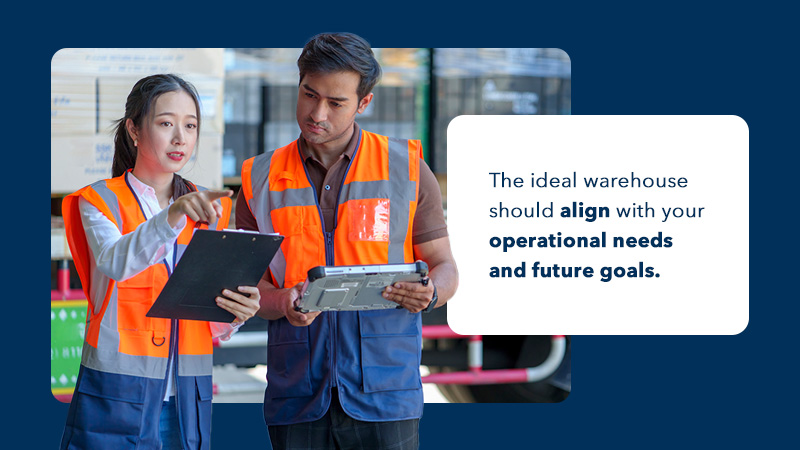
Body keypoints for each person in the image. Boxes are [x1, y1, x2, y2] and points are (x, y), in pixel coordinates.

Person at [237, 33, 459, 449]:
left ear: (364, 103)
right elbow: (248, 290)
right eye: (309, 95)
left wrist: (430, 293)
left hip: (385, 393)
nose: (317, 112)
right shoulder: (258, 179)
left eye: (336, 103)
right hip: (297, 392)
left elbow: (445, 268)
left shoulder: (407, 170)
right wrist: (283, 301)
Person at [59, 74, 261, 450]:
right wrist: (172, 216)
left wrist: (236, 311)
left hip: (188, 392)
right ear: (134, 130)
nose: (180, 138)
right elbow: (116, 262)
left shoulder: (209, 208)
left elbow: (204, 313)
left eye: (190, 125)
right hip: (118, 391)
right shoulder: (100, 202)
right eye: (166, 123)